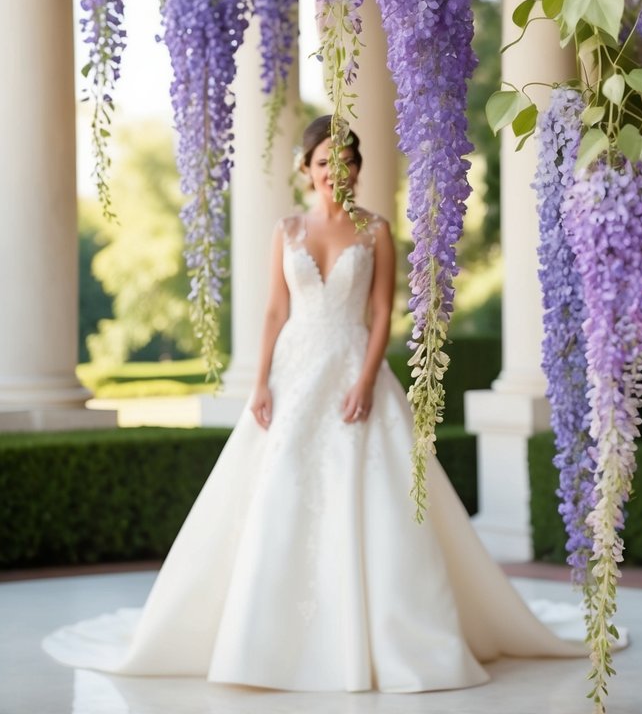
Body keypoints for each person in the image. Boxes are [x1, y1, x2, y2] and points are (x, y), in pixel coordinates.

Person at [44, 115, 602, 693]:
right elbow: (272, 312)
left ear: (356, 168)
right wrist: (258, 383)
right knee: (277, 493)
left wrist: (365, 380)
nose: (336, 173)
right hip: (294, 371)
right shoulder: (287, 229)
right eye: (323, 163)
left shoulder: (377, 229)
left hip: (354, 369)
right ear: (306, 170)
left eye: (346, 162)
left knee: (377, 497)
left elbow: (384, 313)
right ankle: (262, 642)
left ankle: (392, 637)